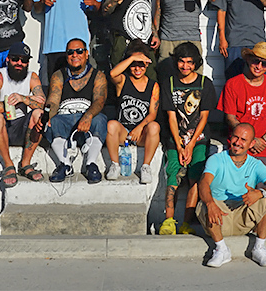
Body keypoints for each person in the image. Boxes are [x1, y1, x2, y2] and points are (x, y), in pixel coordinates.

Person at [197, 123, 266, 268]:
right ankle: (221, 249)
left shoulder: (256, 164)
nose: (238, 142)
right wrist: (210, 203)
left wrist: (259, 193)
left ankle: (259, 248)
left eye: (243, 139)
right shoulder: (216, 159)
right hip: (219, 216)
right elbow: (204, 182)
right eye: (235, 137)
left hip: (243, 215)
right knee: (204, 204)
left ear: (251, 144)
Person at [158, 42, 217, 236]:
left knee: (195, 176)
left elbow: (204, 117)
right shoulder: (169, 83)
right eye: (182, 61)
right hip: (175, 139)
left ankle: (186, 223)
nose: (185, 66)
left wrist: (191, 144)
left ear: (196, 63)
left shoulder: (205, 83)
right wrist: (179, 145)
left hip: (199, 139)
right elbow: (171, 117)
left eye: (190, 62)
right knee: (173, 176)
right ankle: (168, 221)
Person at [41, 38, 109, 184]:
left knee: (100, 120)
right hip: (65, 120)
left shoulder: (98, 75)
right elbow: (53, 101)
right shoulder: (58, 75)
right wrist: (47, 117)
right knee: (52, 123)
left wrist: (88, 116)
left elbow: (99, 101)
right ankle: (65, 164)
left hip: (88, 122)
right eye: (70, 52)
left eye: (79, 51)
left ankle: (91, 164)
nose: (75, 55)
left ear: (86, 54)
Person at [217, 41, 266, 175]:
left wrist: (264, 140)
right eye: (256, 61)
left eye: (264, 63)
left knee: (264, 185)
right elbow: (230, 117)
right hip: (240, 146)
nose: (259, 66)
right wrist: (250, 140)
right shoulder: (232, 84)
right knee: (237, 184)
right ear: (248, 59)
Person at [0, 42, 47, 187]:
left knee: (39, 114)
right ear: (8, 59)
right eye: (15, 59)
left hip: (22, 126)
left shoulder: (32, 77)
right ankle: (9, 165)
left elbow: (43, 104)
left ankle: (25, 164)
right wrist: (16, 102)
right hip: (3, 127)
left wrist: (23, 98)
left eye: (24, 60)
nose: (19, 63)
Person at [105, 39, 160, 184]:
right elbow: (112, 74)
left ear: (147, 64)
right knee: (111, 124)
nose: (137, 68)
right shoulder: (123, 80)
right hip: (123, 133)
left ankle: (146, 167)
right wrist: (132, 58)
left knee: (155, 126)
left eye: (141, 64)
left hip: (141, 134)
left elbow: (152, 114)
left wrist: (139, 127)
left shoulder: (153, 86)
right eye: (134, 64)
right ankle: (115, 165)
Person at [101, 0, 159, 79]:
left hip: (143, 42)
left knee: (151, 77)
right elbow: (105, 10)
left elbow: (145, 13)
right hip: (124, 41)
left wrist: (154, 34)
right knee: (121, 78)